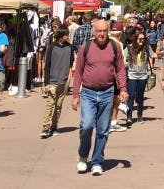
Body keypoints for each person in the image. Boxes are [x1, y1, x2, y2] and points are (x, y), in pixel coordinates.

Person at [71, 19, 127, 176]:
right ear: (94, 32)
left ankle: (96, 161)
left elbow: (121, 69)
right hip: (88, 93)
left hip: (107, 93)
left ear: (108, 31)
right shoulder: (86, 47)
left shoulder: (114, 47)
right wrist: (75, 95)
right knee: (87, 125)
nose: (102, 34)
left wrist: (123, 89)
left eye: (104, 31)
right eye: (99, 31)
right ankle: (83, 156)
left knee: (103, 130)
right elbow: (79, 73)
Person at [41, 27, 75, 138]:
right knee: (50, 103)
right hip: (52, 80)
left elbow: (71, 63)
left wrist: (69, 77)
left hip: (64, 80)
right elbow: (47, 65)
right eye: (67, 34)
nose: (68, 36)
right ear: (61, 35)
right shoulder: (51, 47)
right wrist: (46, 82)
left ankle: (54, 127)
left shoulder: (70, 47)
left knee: (59, 105)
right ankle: (45, 127)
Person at [123, 28, 154, 126]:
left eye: (143, 39)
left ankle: (140, 116)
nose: (142, 41)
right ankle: (129, 117)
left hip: (143, 76)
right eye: (140, 39)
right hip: (131, 76)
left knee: (140, 97)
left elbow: (153, 55)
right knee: (131, 97)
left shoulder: (146, 47)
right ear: (135, 39)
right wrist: (126, 64)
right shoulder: (128, 48)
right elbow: (122, 61)